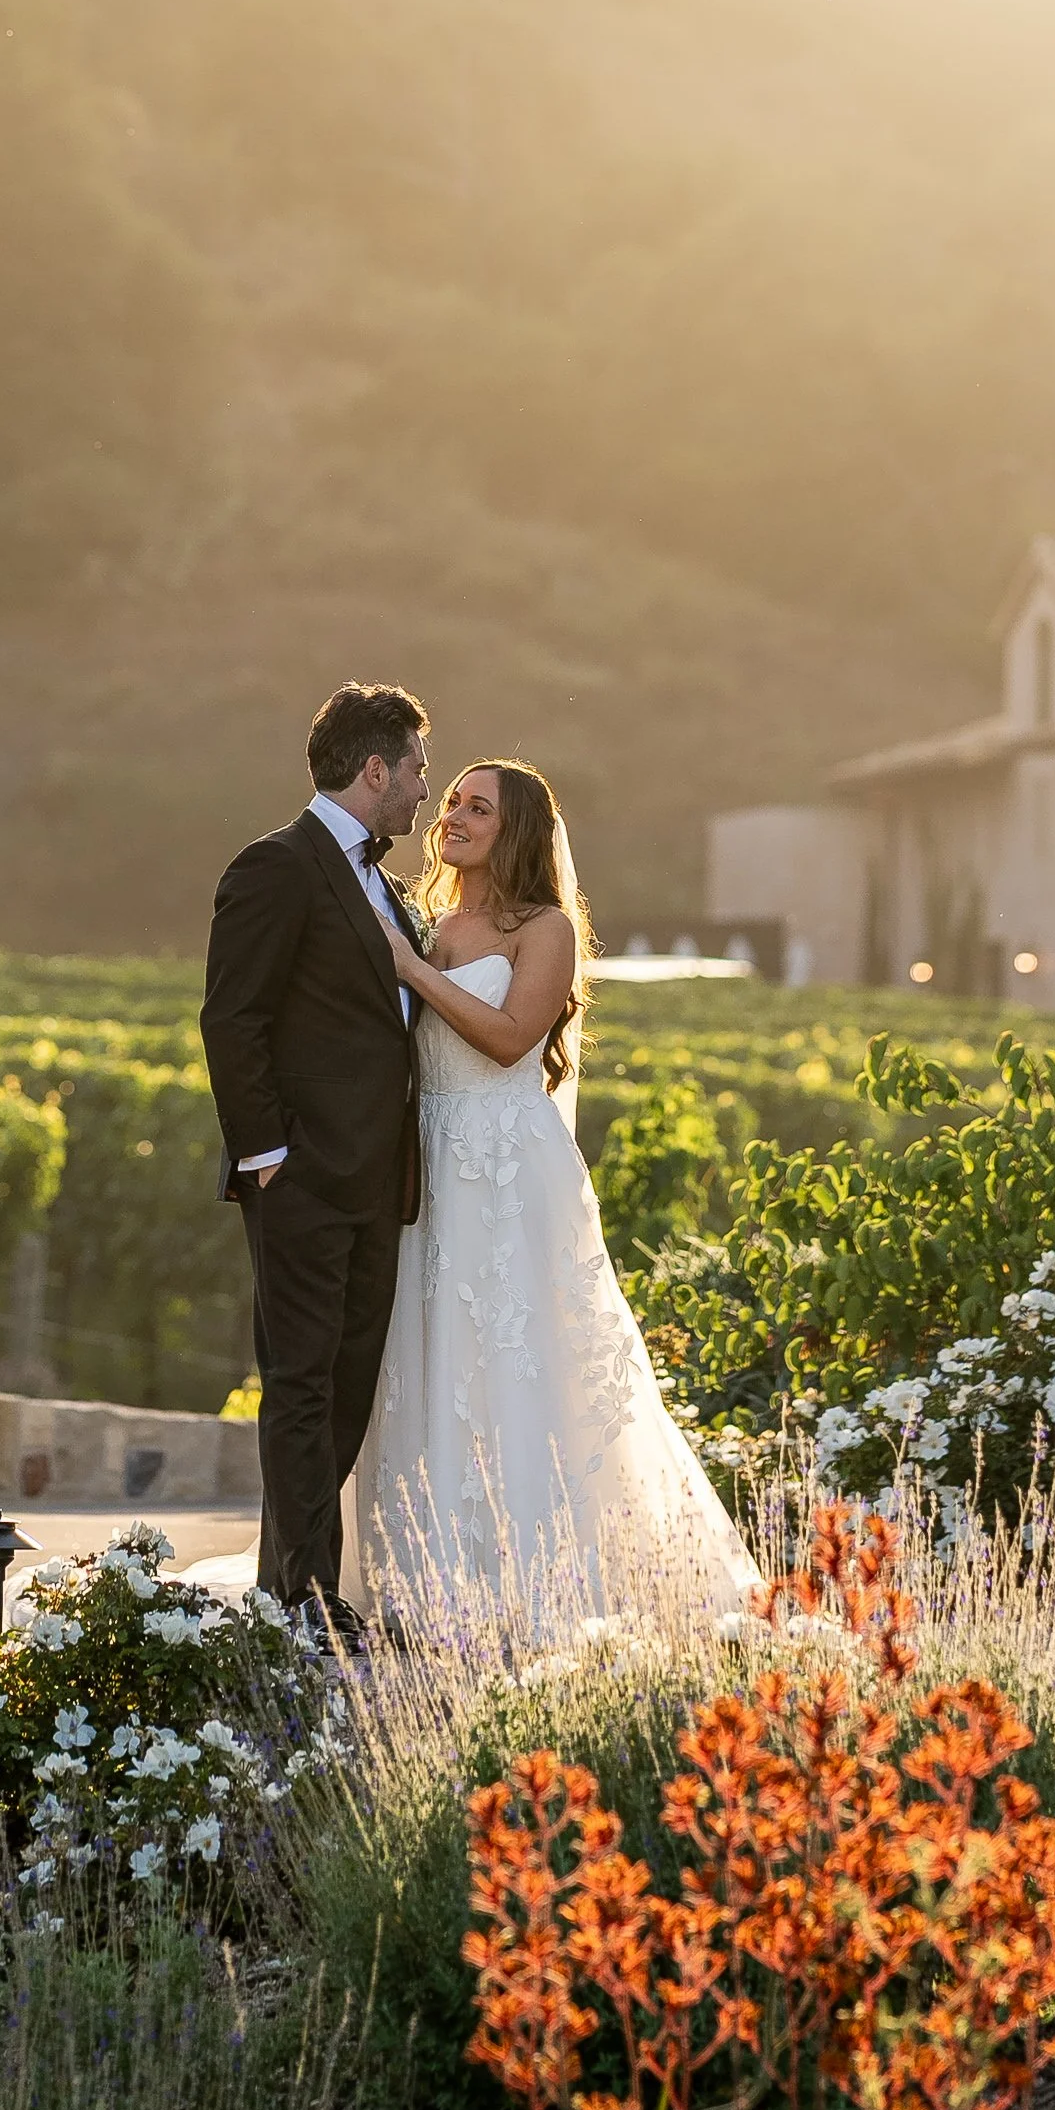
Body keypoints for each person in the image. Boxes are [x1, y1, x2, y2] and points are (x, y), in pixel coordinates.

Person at [347, 756, 752, 1618]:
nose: (452, 816)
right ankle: (425, 1581)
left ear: (516, 830)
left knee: (515, 1357)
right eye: (451, 800)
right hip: (432, 1164)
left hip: (506, 1166)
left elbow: (508, 1037)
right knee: (430, 1351)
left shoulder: (545, 929)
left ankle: (533, 1581)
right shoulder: (430, 923)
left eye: (476, 807)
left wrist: (409, 971)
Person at [198, 680, 431, 1634]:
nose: (425, 787)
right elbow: (232, 1017)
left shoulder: (388, 883)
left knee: (346, 1384)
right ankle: (304, 1597)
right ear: (375, 769)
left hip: (377, 1184)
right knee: (300, 1382)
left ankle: (281, 1582)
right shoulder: (276, 867)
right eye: (417, 768)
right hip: (299, 1178)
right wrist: (267, 1158)